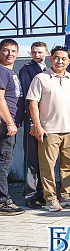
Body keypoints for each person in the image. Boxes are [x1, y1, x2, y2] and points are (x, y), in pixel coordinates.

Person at [27, 46, 70, 212]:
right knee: (47, 166)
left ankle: (66, 195)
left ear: (69, 61)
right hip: (48, 130)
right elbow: (32, 103)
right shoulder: (40, 78)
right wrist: (37, 126)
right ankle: (50, 198)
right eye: (56, 58)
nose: (60, 61)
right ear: (50, 59)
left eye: (64, 58)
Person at [19, 41, 48, 209]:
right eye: (34, 52)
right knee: (31, 159)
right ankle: (30, 195)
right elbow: (28, 99)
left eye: (40, 52)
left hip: (47, 122)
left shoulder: (48, 71)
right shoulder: (27, 70)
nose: (37, 55)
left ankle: (42, 193)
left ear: (46, 53)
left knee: (44, 159)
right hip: (33, 122)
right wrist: (32, 122)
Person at [0, 39, 25, 215]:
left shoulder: (9, 71)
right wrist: (9, 122)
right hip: (4, 124)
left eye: (13, 51)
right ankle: (2, 201)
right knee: (3, 162)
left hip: (8, 124)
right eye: (6, 50)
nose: (10, 54)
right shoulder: (2, 70)